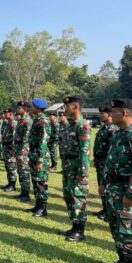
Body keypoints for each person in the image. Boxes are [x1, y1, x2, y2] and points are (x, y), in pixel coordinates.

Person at [102, 99, 132, 263]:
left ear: (124, 113)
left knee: (127, 230)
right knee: (116, 227)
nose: (111, 114)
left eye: (114, 111)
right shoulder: (119, 134)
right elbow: (111, 161)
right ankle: (122, 259)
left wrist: (130, 193)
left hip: (125, 189)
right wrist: (103, 183)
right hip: (113, 188)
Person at [58, 96, 90, 242]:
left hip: (76, 168)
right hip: (67, 167)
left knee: (78, 198)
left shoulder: (82, 125)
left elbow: (84, 151)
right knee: (69, 196)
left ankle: (80, 230)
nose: (65, 108)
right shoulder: (69, 125)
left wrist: (82, 173)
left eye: (67, 106)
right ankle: (74, 225)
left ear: (75, 107)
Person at [25, 99, 51, 217]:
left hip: (41, 157)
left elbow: (43, 141)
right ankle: (37, 205)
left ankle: (43, 208)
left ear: (38, 108)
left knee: (41, 182)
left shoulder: (43, 121)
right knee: (35, 181)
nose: (31, 108)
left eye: (33, 106)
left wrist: (40, 160)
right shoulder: (37, 120)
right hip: (34, 154)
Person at [93, 106, 117, 221]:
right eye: (100, 113)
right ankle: (104, 208)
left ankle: (108, 212)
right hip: (100, 162)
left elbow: (111, 150)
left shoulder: (112, 129)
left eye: (103, 113)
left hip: (106, 162)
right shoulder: (104, 128)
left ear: (109, 115)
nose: (100, 115)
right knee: (101, 186)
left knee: (107, 187)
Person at [14, 101, 33, 202]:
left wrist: (22, 153)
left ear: (25, 109)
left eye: (19, 108)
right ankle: (22, 191)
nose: (17, 109)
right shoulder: (21, 120)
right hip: (18, 149)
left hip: (23, 151)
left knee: (25, 172)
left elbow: (26, 139)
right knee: (20, 171)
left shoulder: (28, 121)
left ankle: (26, 194)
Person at [1, 108, 18, 192]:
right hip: (6, 149)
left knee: (11, 168)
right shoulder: (8, 123)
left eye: (6, 113)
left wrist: (13, 151)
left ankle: (12, 184)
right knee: (8, 167)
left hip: (11, 149)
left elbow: (15, 138)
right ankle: (9, 182)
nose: (4, 115)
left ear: (10, 114)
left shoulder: (14, 123)